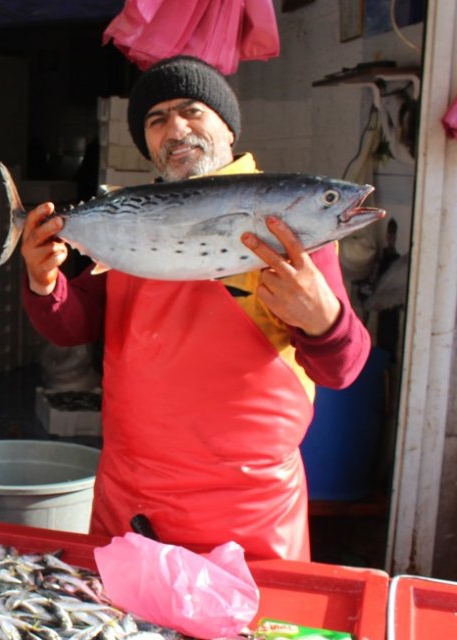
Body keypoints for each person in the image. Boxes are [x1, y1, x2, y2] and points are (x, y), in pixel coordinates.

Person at [19, 55, 371, 561]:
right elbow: (74, 324)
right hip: (130, 495)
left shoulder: (291, 222)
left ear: (227, 126)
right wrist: (43, 279)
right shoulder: (132, 221)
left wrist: (324, 320)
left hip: (245, 511)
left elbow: (343, 368)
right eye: (156, 120)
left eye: (192, 111)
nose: (176, 128)